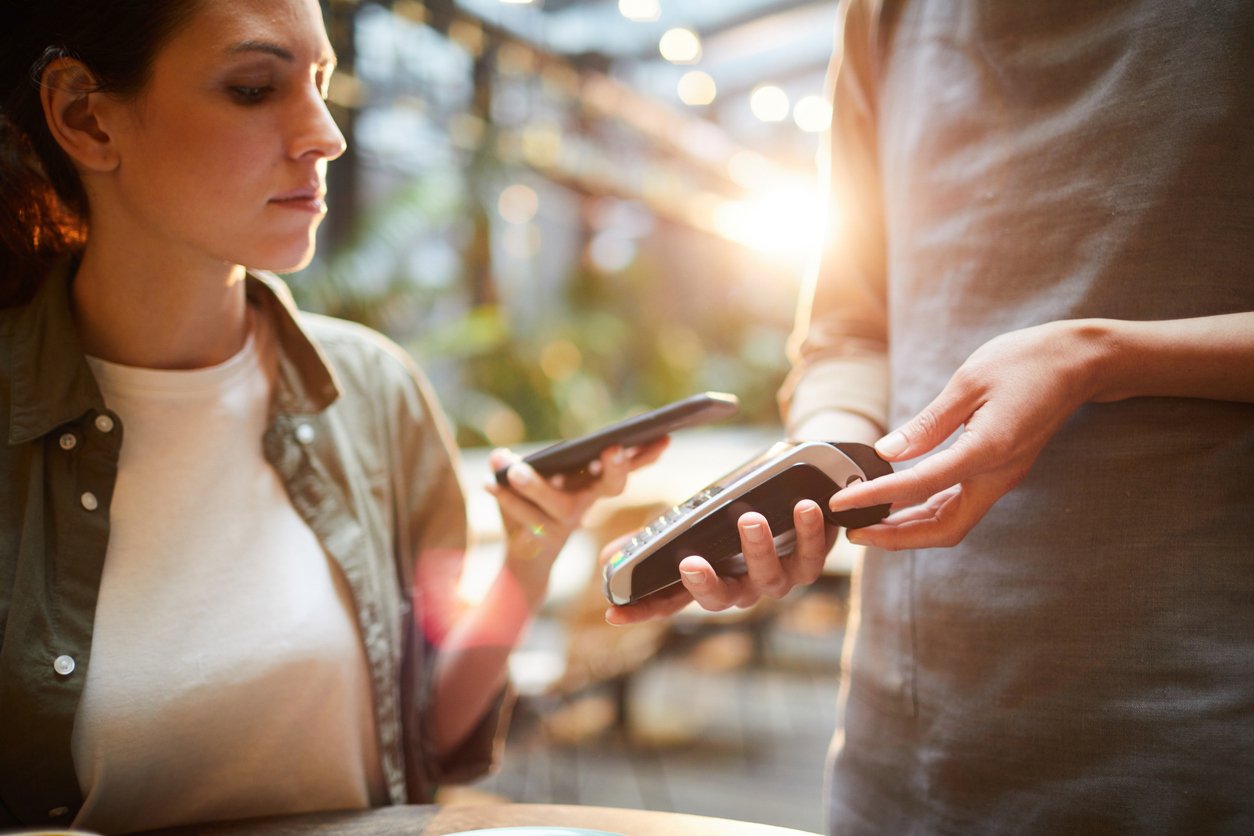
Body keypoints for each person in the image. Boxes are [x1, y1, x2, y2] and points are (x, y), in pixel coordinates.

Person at [0, 0, 664, 831]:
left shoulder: (374, 391)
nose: (327, 133)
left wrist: (532, 556)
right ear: (85, 118)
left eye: (321, 81)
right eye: (252, 88)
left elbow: (429, 732)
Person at [609, 0, 1254, 832]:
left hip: (1196, 724)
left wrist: (1106, 356)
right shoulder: (883, 15)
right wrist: (819, 458)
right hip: (910, 738)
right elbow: (846, 328)